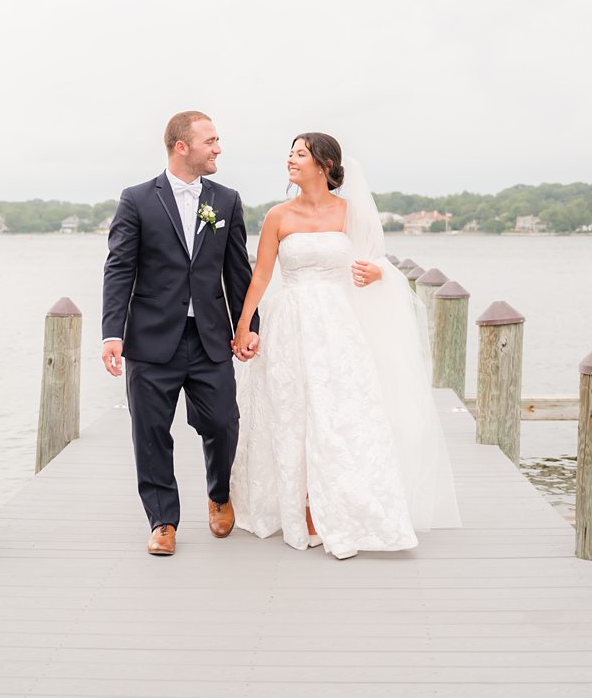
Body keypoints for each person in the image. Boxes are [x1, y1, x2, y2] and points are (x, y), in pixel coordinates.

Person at [231, 133, 460, 559]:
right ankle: (297, 503)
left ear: (324, 164)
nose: (290, 159)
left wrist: (377, 274)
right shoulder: (278, 216)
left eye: (300, 154)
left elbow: (378, 263)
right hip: (291, 322)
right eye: (290, 153)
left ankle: (331, 503)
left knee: (338, 413)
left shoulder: (351, 213)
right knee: (292, 411)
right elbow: (260, 275)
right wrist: (244, 325)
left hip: (338, 326)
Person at [101, 111, 259, 556]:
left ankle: (219, 494)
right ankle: (162, 521)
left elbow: (238, 273)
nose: (218, 148)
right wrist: (112, 333)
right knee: (150, 431)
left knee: (222, 422)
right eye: (211, 140)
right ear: (181, 146)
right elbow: (118, 270)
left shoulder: (226, 200)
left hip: (211, 337)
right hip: (150, 339)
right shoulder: (136, 200)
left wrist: (249, 326)